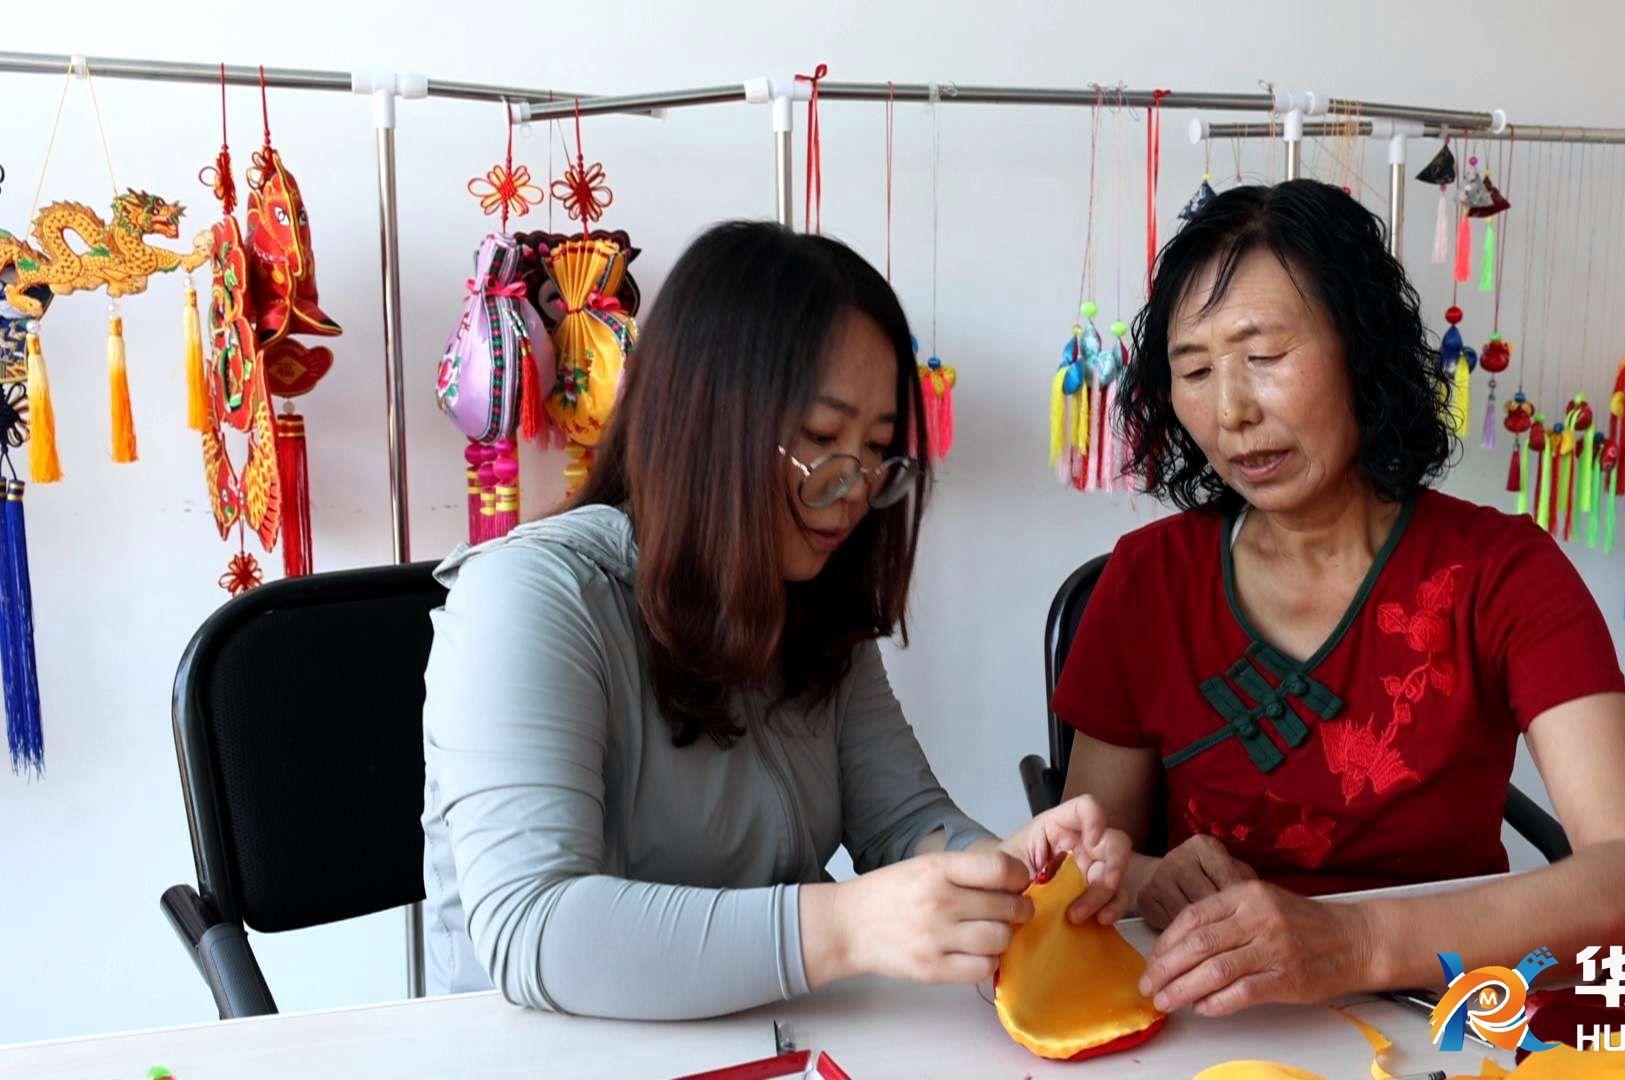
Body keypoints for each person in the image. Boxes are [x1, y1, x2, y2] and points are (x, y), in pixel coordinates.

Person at [421, 220, 1130, 1021]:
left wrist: (1000, 872)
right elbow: (535, 929)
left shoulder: (807, 595)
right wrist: (845, 926)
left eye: (878, 450)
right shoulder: (530, 598)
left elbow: (904, 821)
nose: (854, 490)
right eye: (822, 438)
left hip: (772, 1041)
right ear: (703, 421)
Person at [1054, 180, 1625, 1018]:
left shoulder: (1502, 573)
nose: (1232, 410)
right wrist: (1150, 878)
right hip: (1218, 1024)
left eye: (1265, 357)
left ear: (1362, 349)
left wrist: (1350, 946)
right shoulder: (1149, 581)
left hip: (1450, 1014)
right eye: (1197, 370)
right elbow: (1080, 861)